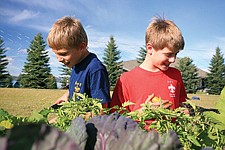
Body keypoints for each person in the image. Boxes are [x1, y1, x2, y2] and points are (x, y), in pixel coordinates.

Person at [110, 16, 187, 112]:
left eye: (176, 54)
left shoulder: (175, 75)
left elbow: (182, 103)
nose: (173, 60)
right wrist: (142, 113)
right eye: (168, 54)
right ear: (150, 48)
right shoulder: (126, 80)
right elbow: (115, 117)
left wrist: (184, 111)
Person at [47, 16, 110, 108]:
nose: (59, 59)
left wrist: (76, 119)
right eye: (56, 54)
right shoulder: (76, 64)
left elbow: (102, 110)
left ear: (82, 47)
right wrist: (67, 95)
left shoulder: (95, 69)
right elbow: (78, 87)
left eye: (63, 54)